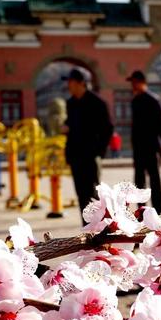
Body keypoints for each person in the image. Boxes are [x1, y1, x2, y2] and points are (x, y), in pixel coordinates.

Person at [63, 68, 113, 223]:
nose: (68, 85)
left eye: (71, 82)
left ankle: (98, 228)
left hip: (90, 157)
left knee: (92, 194)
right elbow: (72, 125)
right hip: (75, 156)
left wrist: (98, 151)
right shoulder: (71, 103)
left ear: (81, 83)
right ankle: (86, 228)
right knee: (81, 194)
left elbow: (107, 129)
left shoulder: (97, 103)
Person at [128, 70, 161, 213]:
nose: (132, 85)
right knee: (139, 182)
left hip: (152, 146)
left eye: (134, 82)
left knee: (154, 180)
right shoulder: (135, 101)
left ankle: (160, 212)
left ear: (141, 82)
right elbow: (135, 127)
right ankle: (142, 212)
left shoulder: (153, 100)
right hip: (139, 147)